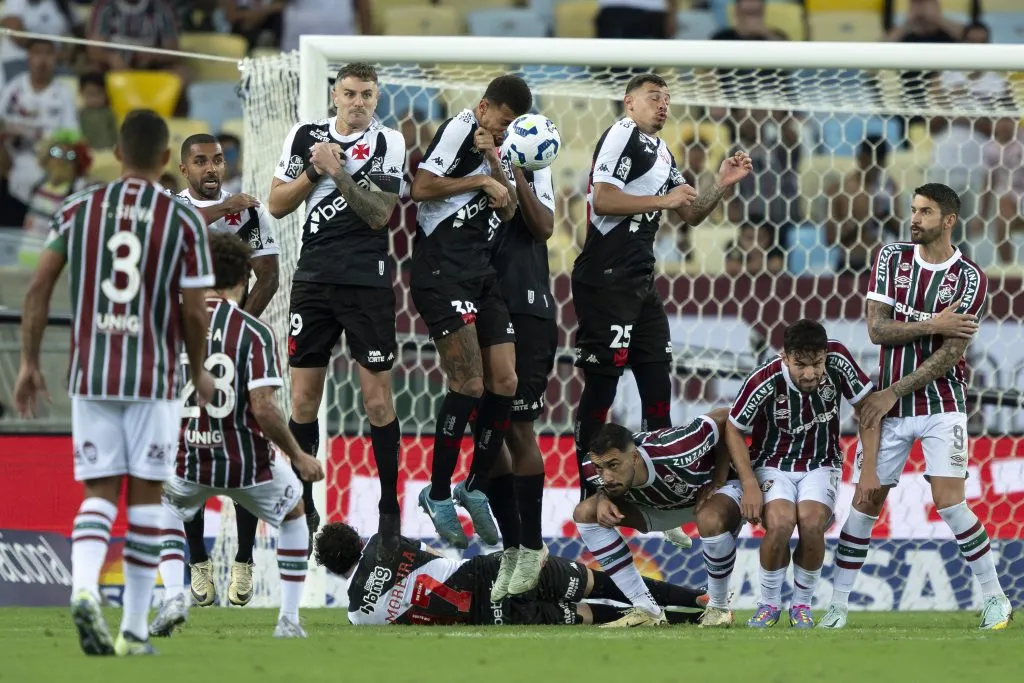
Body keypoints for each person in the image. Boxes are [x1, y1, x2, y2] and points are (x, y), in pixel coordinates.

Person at [13, 109, 216, 656]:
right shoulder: (182, 221)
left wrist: (29, 362)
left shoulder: (78, 209)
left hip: (92, 372)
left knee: (99, 493)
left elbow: (36, 289)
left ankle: (82, 590)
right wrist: (198, 369)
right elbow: (196, 312)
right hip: (151, 375)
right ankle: (130, 629)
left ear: (119, 154)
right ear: (162, 156)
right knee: (147, 501)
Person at [819, 183, 1013, 631]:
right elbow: (876, 331)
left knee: (949, 503)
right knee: (865, 501)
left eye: (925, 212)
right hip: (889, 409)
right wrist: (933, 322)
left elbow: (950, 354)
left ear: (948, 220)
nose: (915, 219)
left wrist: (894, 391)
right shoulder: (892, 258)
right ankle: (838, 607)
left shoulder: (970, 277)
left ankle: (996, 599)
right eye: (913, 210)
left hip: (943, 404)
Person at [571, 73, 751, 501]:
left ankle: (655, 487)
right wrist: (663, 202)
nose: (663, 105)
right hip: (606, 277)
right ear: (629, 102)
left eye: (667, 99)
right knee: (603, 386)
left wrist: (720, 185)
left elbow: (690, 213)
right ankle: (588, 491)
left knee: (657, 386)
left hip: (640, 282)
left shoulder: (662, 152)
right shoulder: (622, 134)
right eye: (654, 97)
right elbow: (603, 199)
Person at [150, 232, 324, 639]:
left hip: (188, 458)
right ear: (244, 277)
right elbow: (264, 407)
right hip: (248, 463)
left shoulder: (171, 326)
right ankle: (289, 619)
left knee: (168, 511)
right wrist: (298, 455)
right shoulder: (253, 332)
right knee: (295, 512)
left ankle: (175, 594)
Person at [268, 61, 406, 549]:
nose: (358, 103)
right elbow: (278, 204)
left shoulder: (389, 142)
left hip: (366, 282)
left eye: (367, 94)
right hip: (313, 279)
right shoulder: (305, 135)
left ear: (377, 97)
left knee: (377, 400)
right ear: (334, 95)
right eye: (349, 93)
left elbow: (379, 215)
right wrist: (313, 168)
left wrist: (339, 172)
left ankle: (390, 513)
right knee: (303, 400)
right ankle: (304, 505)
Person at [408, 75, 531, 549]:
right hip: (442, 271)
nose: (503, 132)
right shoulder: (459, 129)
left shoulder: (495, 145)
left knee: (505, 381)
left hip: (480, 273)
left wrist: (496, 160)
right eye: (500, 124)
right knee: (469, 384)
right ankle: (438, 493)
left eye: (510, 128)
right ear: (483, 109)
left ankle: (473, 485)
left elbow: (507, 212)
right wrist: (480, 176)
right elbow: (419, 188)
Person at [176, 132, 281, 608]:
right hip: (182, 345)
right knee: (191, 448)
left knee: (242, 444)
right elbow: (187, 225)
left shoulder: (251, 211)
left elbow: (271, 273)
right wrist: (225, 209)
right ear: (185, 169)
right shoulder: (173, 206)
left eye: (217, 160)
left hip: (233, 347)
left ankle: (242, 558)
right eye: (200, 161)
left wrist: (239, 327)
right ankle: (196, 559)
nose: (211, 168)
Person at [727, 319, 874, 629]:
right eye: (801, 365)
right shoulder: (764, 379)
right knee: (780, 524)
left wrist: (868, 470)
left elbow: (868, 408)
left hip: (821, 464)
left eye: (817, 363)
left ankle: (802, 606)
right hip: (773, 464)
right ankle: (768, 604)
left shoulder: (838, 360)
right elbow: (734, 427)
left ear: (825, 356)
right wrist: (749, 483)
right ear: (785, 357)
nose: (810, 373)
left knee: (810, 523)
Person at [314, 520, 707, 626]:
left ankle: (679, 623)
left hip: (488, 615)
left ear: (333, 569)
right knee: (595, 581)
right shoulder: (385, 544)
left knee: (586, 614)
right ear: (355, 536)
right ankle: (697, 600)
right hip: (493, 571)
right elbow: (433, 553)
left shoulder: (358, 615)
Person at [573, 408, 761, 628]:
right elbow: (600, 477)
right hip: (664, 506)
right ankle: (646, 610)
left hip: (717, 494)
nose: (606, 476)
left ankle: (718, 607)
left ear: (634, 457)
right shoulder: (592, 467)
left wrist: (719, 478)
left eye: (613, 465)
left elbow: (725, 417)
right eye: (600, 468)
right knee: (585, 512)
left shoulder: (677, 447)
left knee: (708, 518)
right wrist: (602, 496)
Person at [485, 142, 556, 599]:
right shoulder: (459, 162)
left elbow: (544, 226)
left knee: (519, 430)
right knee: (488, 438)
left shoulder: (531, 161)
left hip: (527, 305)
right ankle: (512, 545)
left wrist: (515, 173)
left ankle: (531, 545)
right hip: (479, 302)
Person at [0, 38, 78, 228]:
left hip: (48, 159)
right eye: (37, 53)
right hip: (12, 159)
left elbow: (73, 136)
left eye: (48, 54)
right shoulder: (15, 87)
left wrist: (49, 145)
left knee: (64, 155)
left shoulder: (63, 92)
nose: (42, 60)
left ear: (55, 58)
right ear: (29, 57)